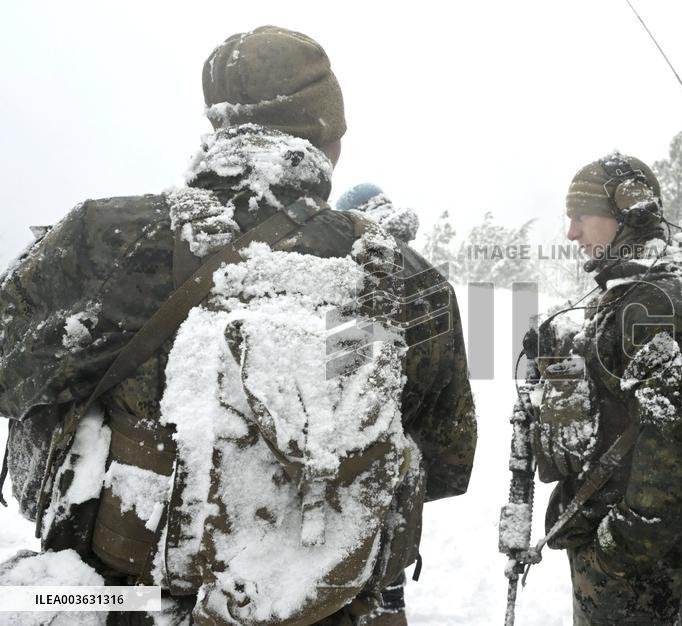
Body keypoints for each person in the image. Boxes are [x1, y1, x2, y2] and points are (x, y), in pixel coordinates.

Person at [0, 25, 476, 625]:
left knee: (32, 597)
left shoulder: (102, 238)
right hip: (327, 609)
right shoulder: (404, 276)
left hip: (122, 603)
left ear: (220, 125)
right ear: (326, 134)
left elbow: (10, 379)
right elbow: (445, 457)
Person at [531, 153, 682, 625]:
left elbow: (675, 452)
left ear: (627, 212)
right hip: (625, 548)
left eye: (579, 217)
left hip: (633, 564)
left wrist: (616, 548)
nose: (570, 233)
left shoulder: (654, 301)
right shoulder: (634, 293)